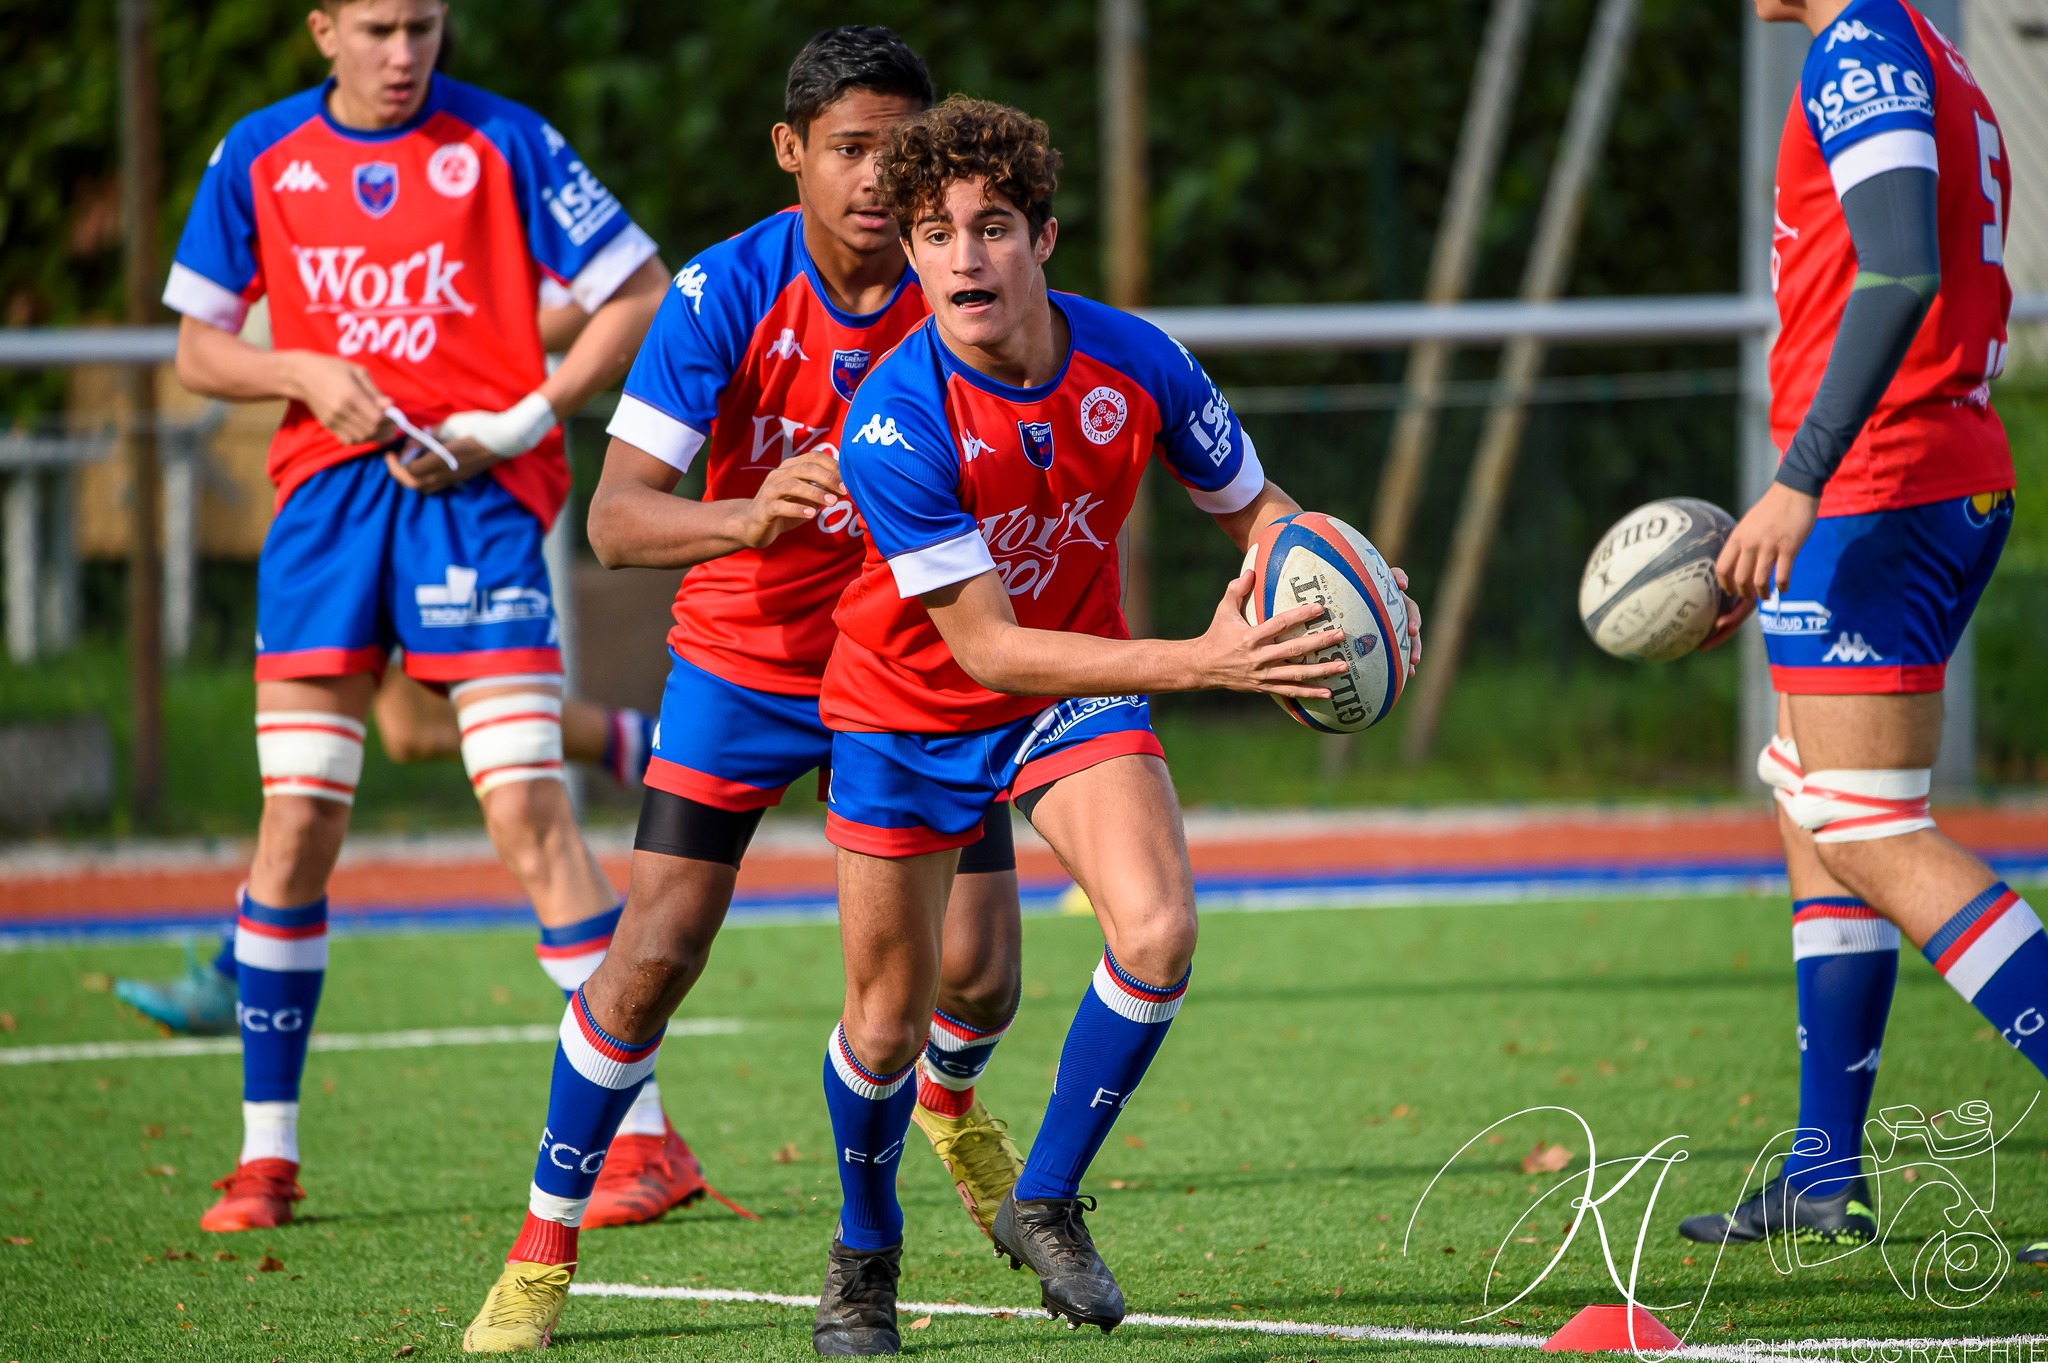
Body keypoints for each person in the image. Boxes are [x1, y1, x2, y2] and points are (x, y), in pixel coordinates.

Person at [804, 98, 1421, 1355]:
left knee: (1157, 927)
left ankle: (1045, 1198)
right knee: (892, 1015)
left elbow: (1258, 514)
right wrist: (1202, 660)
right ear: (910, 256)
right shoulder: (891, 418)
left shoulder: (1138, 361)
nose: (962, 258)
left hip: (1070, 695)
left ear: (1043, 238)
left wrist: (1335, 584)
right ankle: (864, 1253)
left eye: (990, 228)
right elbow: (980, 646)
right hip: (909, 709)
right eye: (932, 234)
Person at [458, 30, 1032, 1354]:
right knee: (652, 954)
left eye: (900, 149)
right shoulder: (722, 291)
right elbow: (614, 519)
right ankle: (542, 1248)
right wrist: (750, 512)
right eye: (847, 150)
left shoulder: (968, 291)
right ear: (791, 154)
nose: (877, 180)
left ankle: (947, 1100)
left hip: (911, 660)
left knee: (983, 975)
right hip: (745, 661)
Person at [158, 0, 711, 1236]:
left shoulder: (505, 140)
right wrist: (298, 369)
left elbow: (638, 287)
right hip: (322, 514)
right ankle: (265, 1158)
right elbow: (199, 347)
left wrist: (520, 417)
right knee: (295, 822)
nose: (403, 53)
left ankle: (646, 1136)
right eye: (377, 28)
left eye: (421, 26)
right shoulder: (258, 154)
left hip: (478, 507)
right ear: (322, 30)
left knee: (523, 808)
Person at [1679, 0, 2035, 1259]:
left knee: (1859, 820)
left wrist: (1800, 479)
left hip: (1883, 481)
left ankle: (1825, 1168)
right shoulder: (1915, 45)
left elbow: (1897, 268)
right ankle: (1823, 1172)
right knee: (1816, 812)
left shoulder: (1863, 43)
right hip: (1898, 481)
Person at [114, 669, 655, 1039]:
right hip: (353, 530)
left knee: (519, 791)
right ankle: (264, 1134)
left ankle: (640, 1124)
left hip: (422, 528)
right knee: (404, 734)